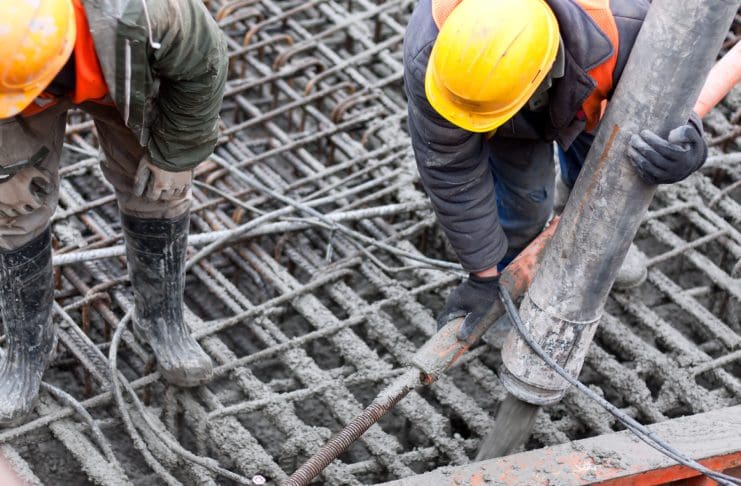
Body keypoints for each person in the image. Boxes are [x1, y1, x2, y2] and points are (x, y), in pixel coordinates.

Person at [403, 0, 708, 339]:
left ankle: (595, 237)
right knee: (525, 201)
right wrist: (483, 276)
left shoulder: (627, 26)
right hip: (507, 113)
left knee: (615, 170)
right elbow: (450, 170)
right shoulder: (431, 59)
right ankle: (509, 267)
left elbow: (673, 83)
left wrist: (688, 140)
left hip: (596, 83)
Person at [0, 0, 228, 424]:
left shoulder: (148, 13)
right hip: (8, 98)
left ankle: (160, 320)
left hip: (119, 64)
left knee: (158, 190)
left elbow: (204, 64)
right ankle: (29, 347)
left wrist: (175, 155)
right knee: (10, 208)